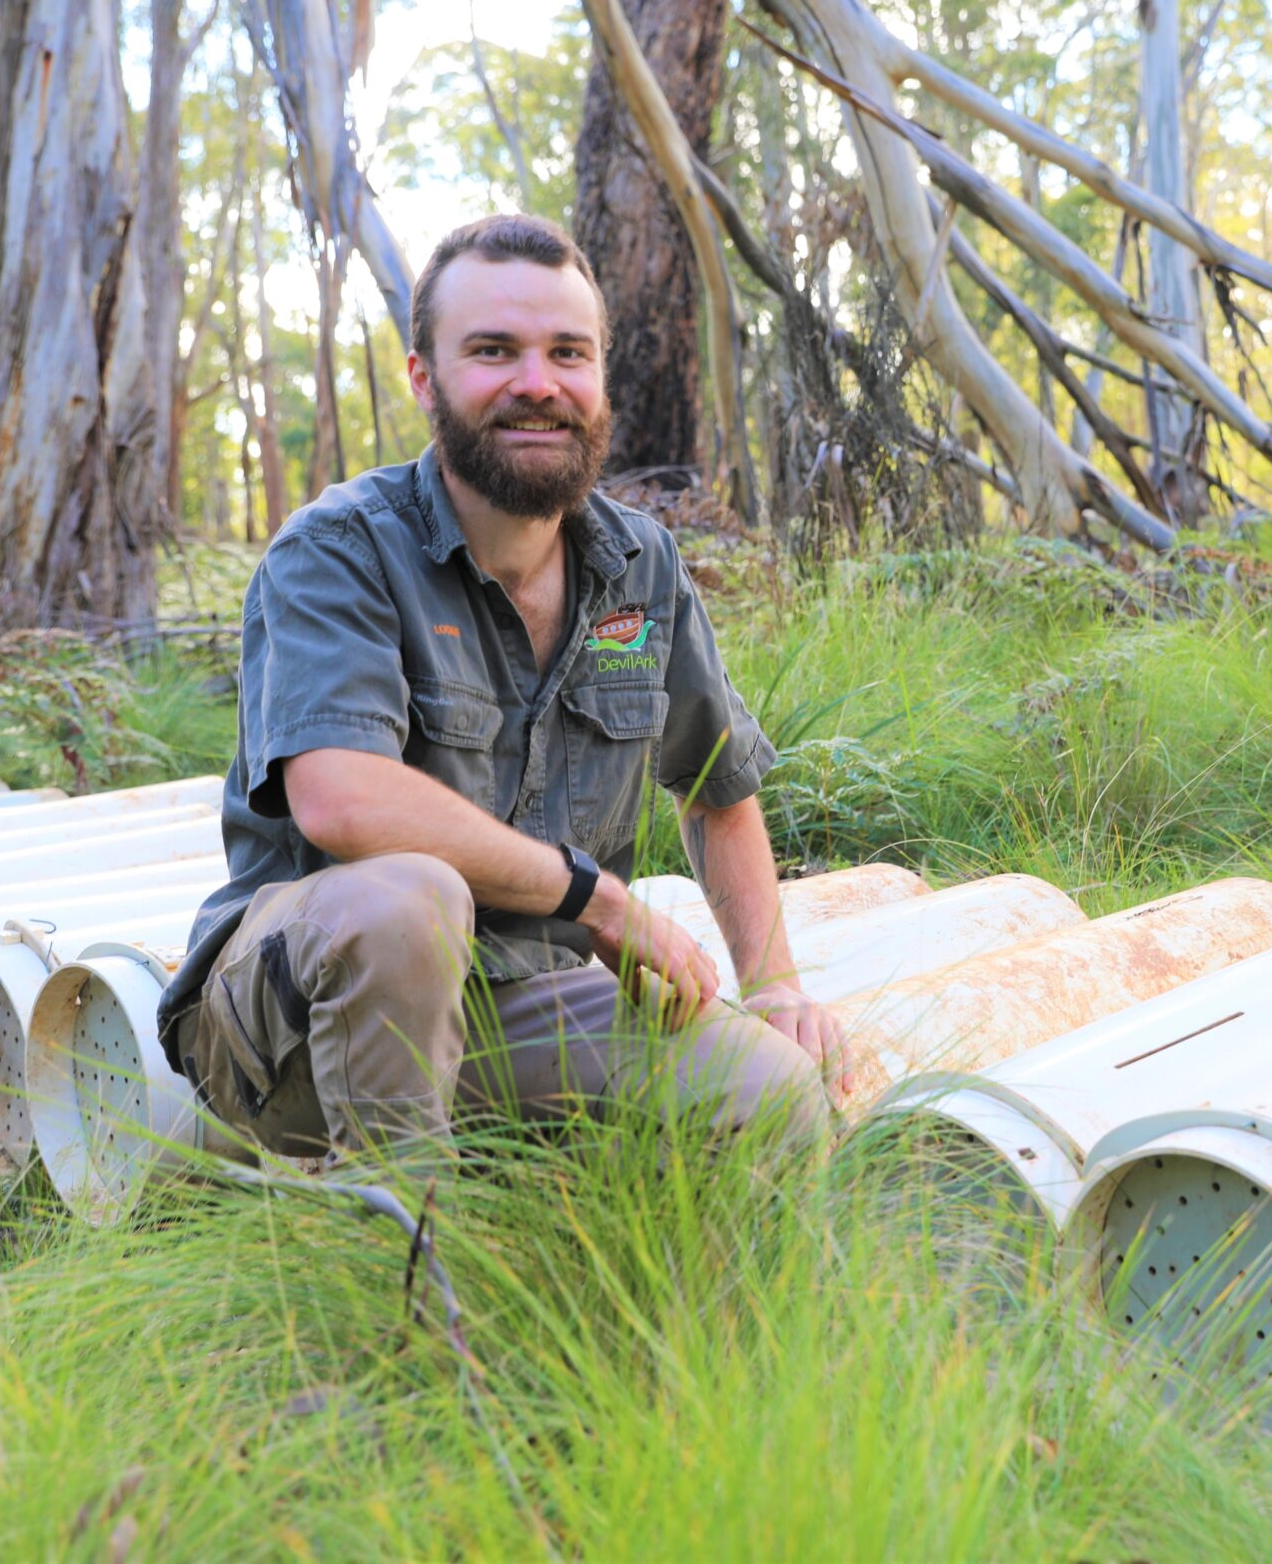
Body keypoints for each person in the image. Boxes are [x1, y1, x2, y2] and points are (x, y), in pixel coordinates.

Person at [157, 212, 844, 1165]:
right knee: (409, 897)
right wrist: (597, 900)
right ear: (422, 377)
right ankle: (398, 1274)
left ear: (602, 377)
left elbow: (718, 784)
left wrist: (772, 983)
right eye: (493, 351)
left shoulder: (637, 567)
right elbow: (342, 797)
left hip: (519, 1005)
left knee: (777, 1096)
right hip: (290, 1031)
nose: (537, 383)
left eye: (568, 351)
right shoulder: (339, 549)